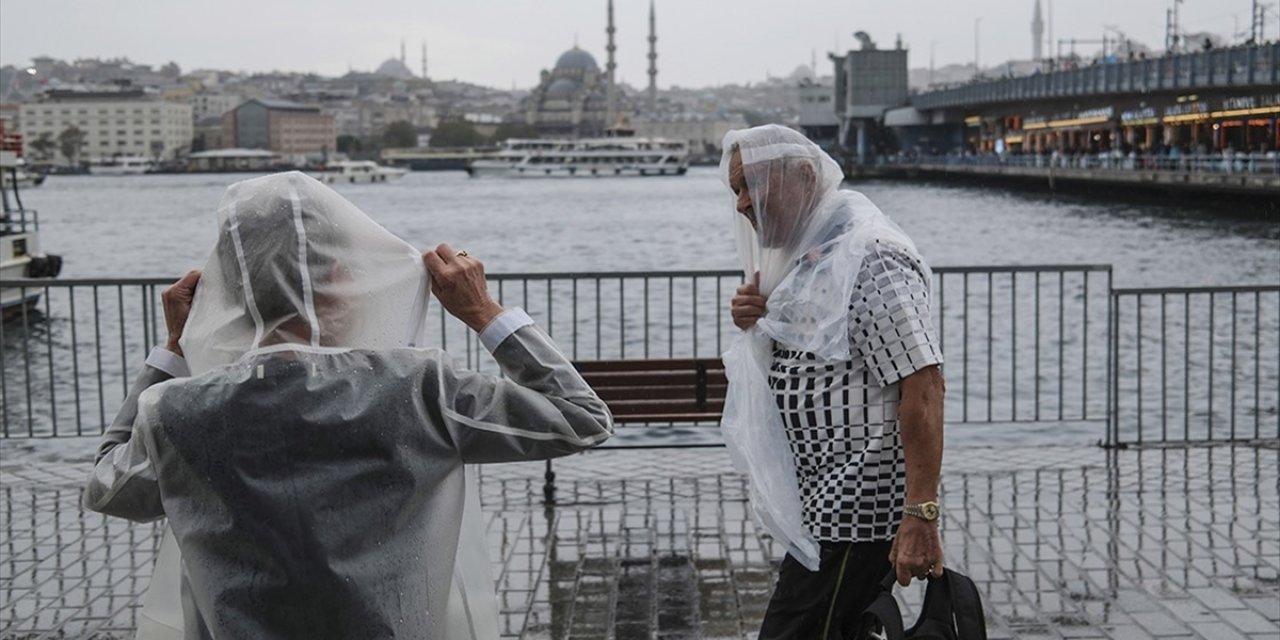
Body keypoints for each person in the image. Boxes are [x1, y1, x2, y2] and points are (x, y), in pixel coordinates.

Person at [82, 172, 613, 639]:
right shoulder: (418, 387)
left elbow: (109, 488)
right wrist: (484, 312)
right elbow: (580, 419)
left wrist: (172, 351)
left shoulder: (176, 412)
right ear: (340, 277)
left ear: (228, 294)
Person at [718, 125, 945, 639]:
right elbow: (824, 344)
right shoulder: (816, 253)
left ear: (803, 176)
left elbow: (924, 384)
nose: (742, 204)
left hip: (856, 515)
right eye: (735, 190)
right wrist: (757, 315)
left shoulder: (871, 256)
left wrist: (921, 514)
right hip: (823, 507)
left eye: (752, 184)